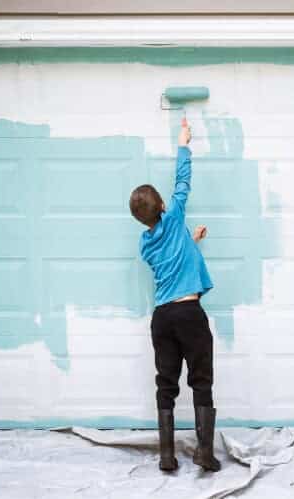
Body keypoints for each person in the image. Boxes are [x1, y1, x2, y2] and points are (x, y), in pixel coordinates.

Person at [129, 118, 220, 473]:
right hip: (189, 315)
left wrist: (190, 241)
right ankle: (204, 452)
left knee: (166, 382)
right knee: (201, 379)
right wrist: (183, 142)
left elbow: (171, 259)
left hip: (162, 318)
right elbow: (184, 180)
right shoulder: (175, 214)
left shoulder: (145, 244)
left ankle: (167, 455)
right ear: (165, 205)